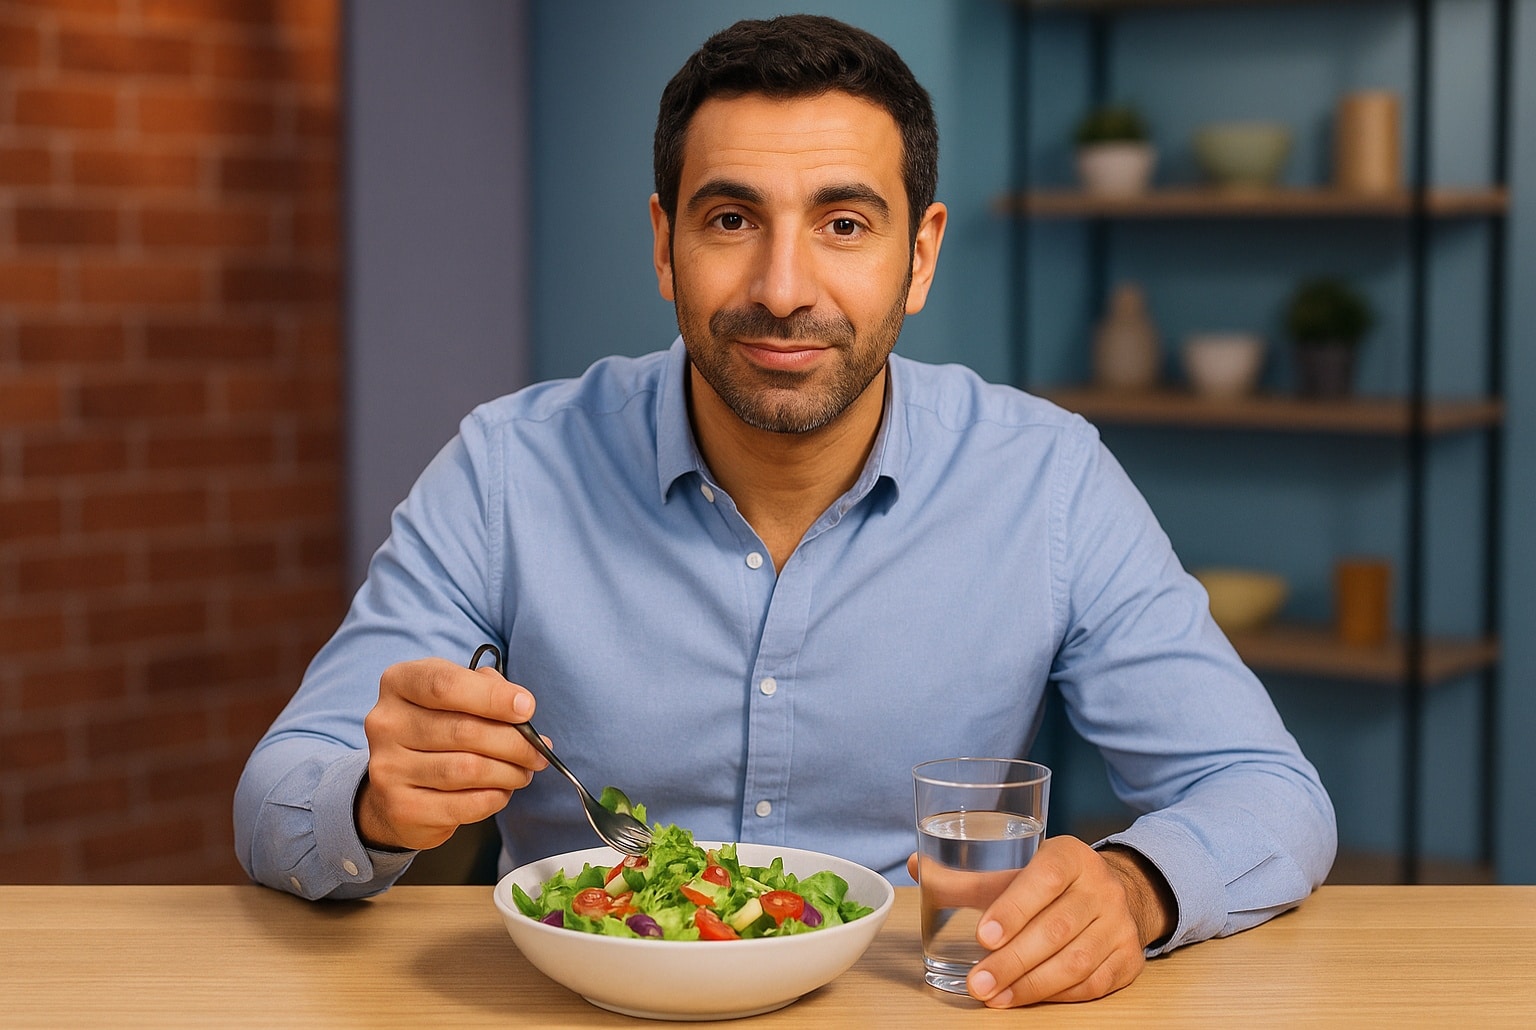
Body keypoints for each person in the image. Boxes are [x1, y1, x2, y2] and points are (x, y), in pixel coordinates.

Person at [235, 13, 1335, 1008]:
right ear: (665, 245)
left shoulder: (1047, 480)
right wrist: (376, 802)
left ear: (922, 254)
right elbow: (278, 794)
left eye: (845, 223)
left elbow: (1264, 792)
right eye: (731, 218)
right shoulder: (507, 468)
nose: (782, 286)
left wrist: (1137, 888)